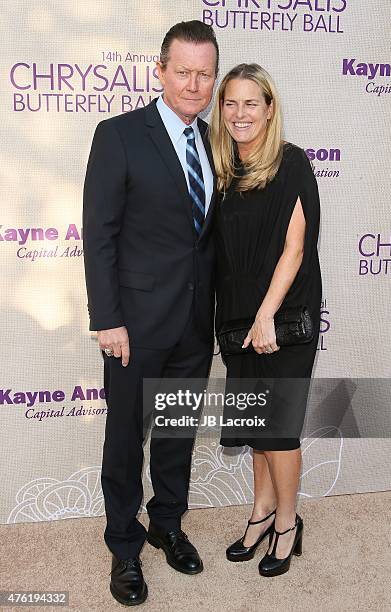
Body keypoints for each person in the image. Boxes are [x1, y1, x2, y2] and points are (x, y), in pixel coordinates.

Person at [82, 20, 218, 606]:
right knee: (124, 438)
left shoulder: (216, 141)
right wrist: (108, 318)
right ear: (159, 70)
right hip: (134, 324)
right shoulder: (118, 135)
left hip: (195, 320)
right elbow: (100, 234)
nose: (194, 83)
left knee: (177, 433)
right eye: (182, 70)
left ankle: (167, 523)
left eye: (205, 73)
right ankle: (123, 544)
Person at [209, 63, 322, 576]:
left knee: (279, 429)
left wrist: (267, 315)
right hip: (237, 321)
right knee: (256, 426)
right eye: (230, 103)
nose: (239, 113)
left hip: (283, 316)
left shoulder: (292, 162)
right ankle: (260, 512)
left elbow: (296, 248)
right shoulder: (222, 168)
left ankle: (288, 523)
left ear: (269, 107)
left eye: (250, 103)